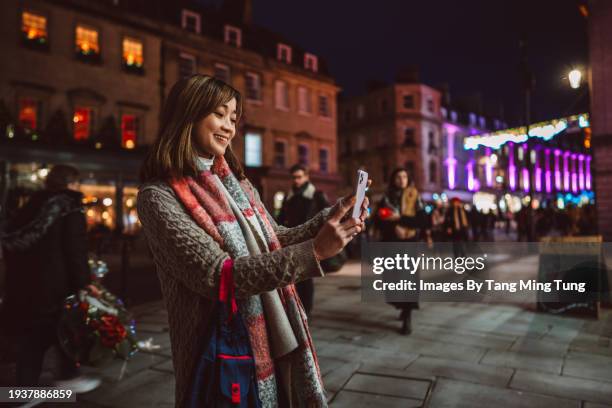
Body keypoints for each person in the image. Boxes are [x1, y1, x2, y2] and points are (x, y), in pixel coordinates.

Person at [137, 75, 368, 407]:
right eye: (220, 113)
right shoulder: (158, 197)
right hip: (223, 347)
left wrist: (333, 216)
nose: (229, 127)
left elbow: (276, 239)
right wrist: (315, 252)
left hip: (277, 332)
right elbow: (217, 276)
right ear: (188, 113)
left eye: (234, 118)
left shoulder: (238, 185)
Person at [0, 165, 101, 392]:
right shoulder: (69, 206)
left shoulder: (34, 204)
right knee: (55, 331)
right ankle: (64, 377)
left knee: (35, 337)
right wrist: (85, 282)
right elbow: (75, 249)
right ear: (71, 184)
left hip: (26, 287)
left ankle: (28, 389)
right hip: (55, 286)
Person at [373, 167, 430, 335]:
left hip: (410, 244)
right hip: (391, 244)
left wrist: (401, 219)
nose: (402, 179)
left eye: (404, 176)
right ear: (393, 179)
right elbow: (379, 221)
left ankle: (407, 316)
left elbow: (422, 220)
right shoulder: (386, 198)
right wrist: (392, 226)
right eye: (398, 176)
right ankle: (402, 306)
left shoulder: (415, 196)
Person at [277, 164, 330, 316]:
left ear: (306, 177)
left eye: (299, 177)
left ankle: (306, 311)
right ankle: (298, 309)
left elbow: (326, 215)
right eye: (294, 177)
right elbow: (281, 217)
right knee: (294, 277)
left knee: (306, 278)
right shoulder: (290, 196)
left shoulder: (316, 195)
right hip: (292, 240)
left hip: (309, 241)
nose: (296, 180)